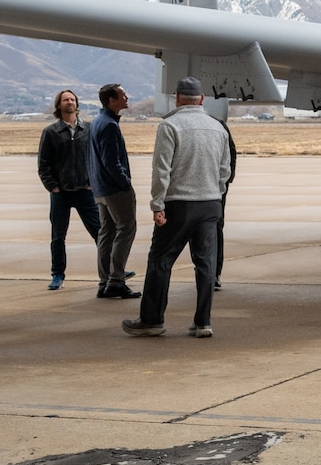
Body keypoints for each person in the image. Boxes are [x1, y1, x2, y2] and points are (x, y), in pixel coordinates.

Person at [124, 77, 231, 338]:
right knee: (205, 264)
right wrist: (214, 193)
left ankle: (152, 320)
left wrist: (157, 204)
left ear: (177, 98)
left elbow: (162, 170)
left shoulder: (170, 126)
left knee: (161, 260)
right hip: (210, 204)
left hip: (179, 204)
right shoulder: (218, 128)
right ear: (202, 99)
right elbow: (224, 170)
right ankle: (203, 322)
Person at [37, 89, 101, 291]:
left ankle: (113, 270)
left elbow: (96, 159)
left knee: (101, 233)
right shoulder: (51, 132)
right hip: (61, 193)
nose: (70, 102)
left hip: (85, 191)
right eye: (65, 100)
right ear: (59, 105)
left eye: (72, 99)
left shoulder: (89, 129)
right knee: (58, 237)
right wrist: (53, 187)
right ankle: (57, 275)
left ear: (77, 104)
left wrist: (92, 182)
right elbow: (43, 164)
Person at [89, 82, 140, 300]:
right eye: (123, 95)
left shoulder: (97, 122)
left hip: (100, 188)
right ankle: (116, 280)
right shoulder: (109, 125)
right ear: (112, 100)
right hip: (114, 189)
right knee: (126, 229)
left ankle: (105, 282)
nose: (127, 97)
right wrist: (125, 182)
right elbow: (111, 161)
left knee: (106, 233)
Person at [213, 109, 238, 291]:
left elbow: (230, 154)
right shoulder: (218, 124)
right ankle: (212, 274)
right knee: (214, 229)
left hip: (213, 189)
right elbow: (232, 155)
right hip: (216, 190)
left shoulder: (218, 125)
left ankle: (211, 273)